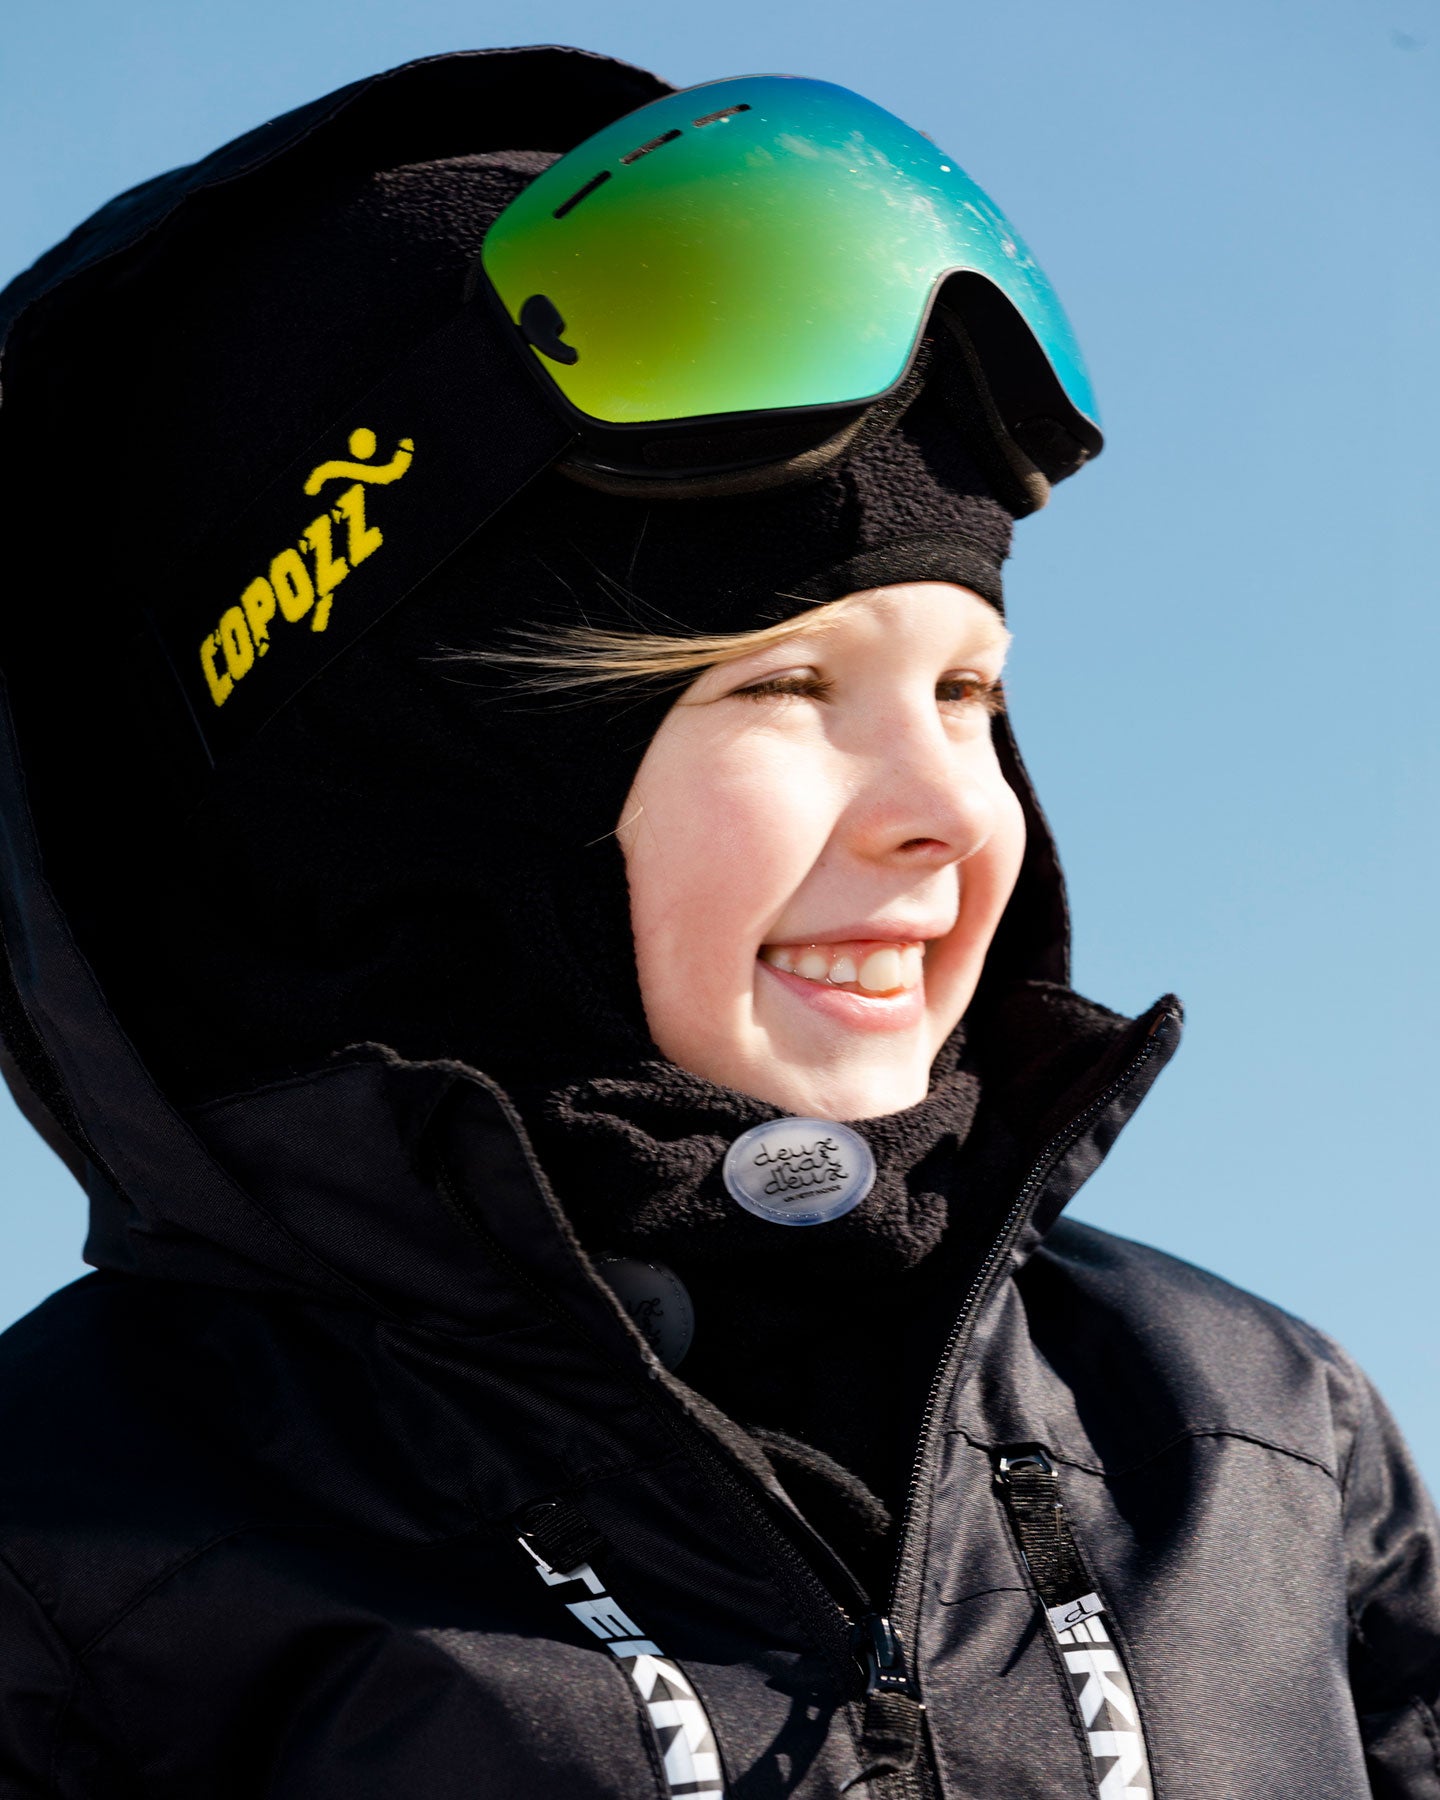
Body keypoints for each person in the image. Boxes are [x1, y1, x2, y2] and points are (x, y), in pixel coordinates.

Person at [0, 44, 1435, 1800]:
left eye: (970, 691)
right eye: (785, 687)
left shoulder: (1252, 1438)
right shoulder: (80, 1554)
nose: (947, 806)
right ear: (425, 794)